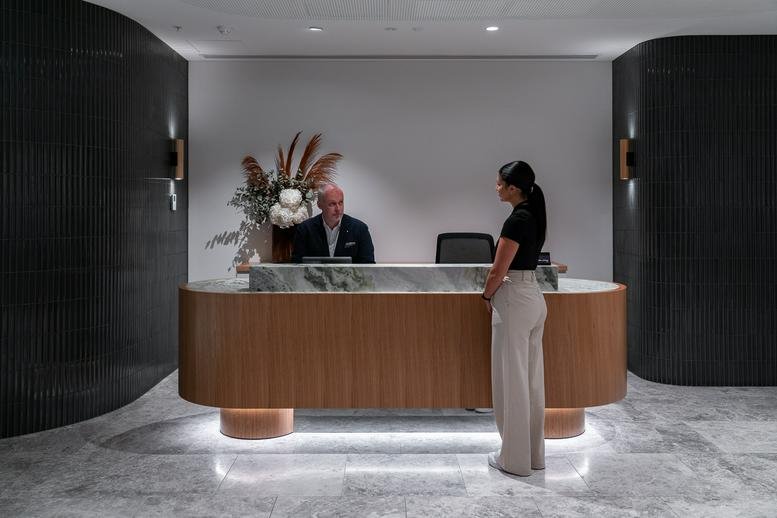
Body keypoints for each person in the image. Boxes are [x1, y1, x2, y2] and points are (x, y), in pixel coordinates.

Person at [481, 160, 548, 476]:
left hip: (515, 301)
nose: (495, 188)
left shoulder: (516, 221)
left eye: (499, 183)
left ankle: (514, 459)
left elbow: (498, 270)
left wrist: (486, 295)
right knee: (531, 381)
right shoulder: (534, 215)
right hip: (533, 298)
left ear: (513, 188)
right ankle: (533, 456)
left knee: (513, 382)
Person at [291, 183, 375, 264]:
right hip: (314, 278)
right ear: (319, 205)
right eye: (332, 204)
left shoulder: (360, 229)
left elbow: (368, 266)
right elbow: (296, 265)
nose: (338, 209)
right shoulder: (305, 229)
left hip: (349, 278)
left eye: (340, 203)